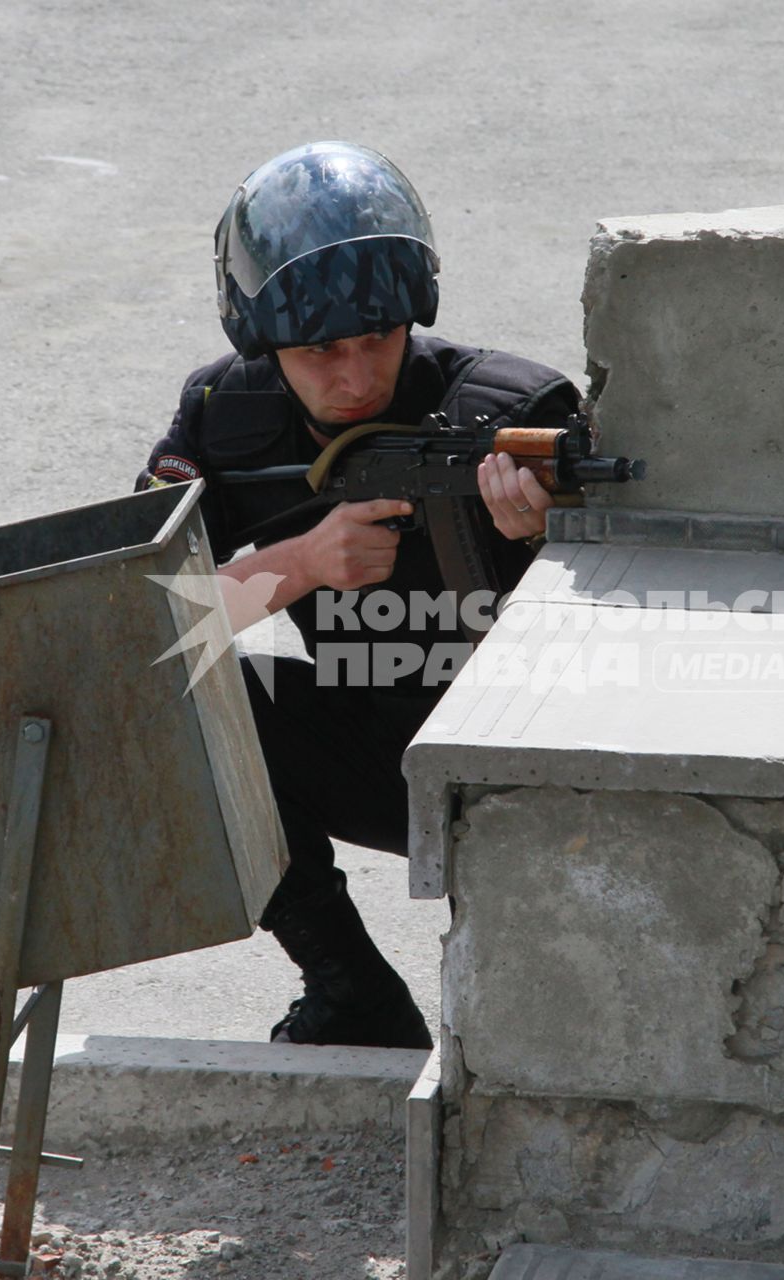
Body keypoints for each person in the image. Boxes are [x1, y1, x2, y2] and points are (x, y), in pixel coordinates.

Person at [135, 141, 580, 1049]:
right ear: (264, 344)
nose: (353, 375)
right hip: (371, 740)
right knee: (179, 708)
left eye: (377, 339)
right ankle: (353, 993)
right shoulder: (226, 418)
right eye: (319, 350)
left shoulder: (515, 407)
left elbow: (643, 632)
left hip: (526, 760)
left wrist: (546, 540)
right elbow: (137, 621)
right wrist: (301, 562)